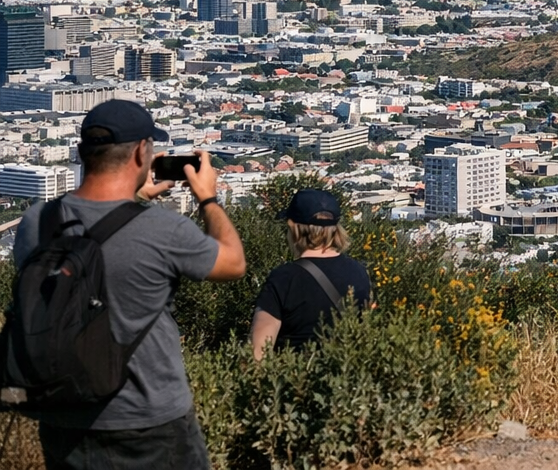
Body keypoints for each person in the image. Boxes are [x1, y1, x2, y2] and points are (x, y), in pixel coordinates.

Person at [11, 99, 246, 470]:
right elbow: (233, 262)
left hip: (62, 417)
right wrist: (208, 197)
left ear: (80, 153)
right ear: (142, 152)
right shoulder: (163, 230)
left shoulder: (36, 222)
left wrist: (131, 199)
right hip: (148, 419)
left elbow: (97, 233)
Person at [250, 188, 372, 358]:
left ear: (294, 228)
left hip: (295, 379)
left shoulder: (284, 279)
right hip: (345, 380)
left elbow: (258, 352)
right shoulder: (359, 272)